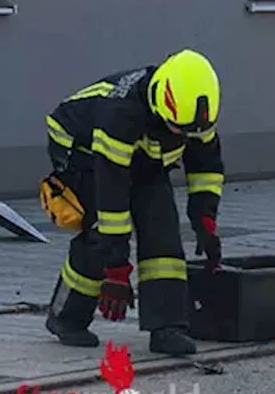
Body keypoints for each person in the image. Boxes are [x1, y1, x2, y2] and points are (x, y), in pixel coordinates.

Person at [40, 49, 224, 356]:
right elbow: (112, 198)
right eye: (176, 129)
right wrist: (117, 267)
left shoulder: (194, 114)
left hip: (143, 158)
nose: (181, 136)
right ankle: (66, 318)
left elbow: (206, 168)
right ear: (162, 105)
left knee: (163, 228)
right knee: (101, 232)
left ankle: (167, 328)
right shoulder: (121, 114)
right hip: (83, 152)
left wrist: (205, 220)